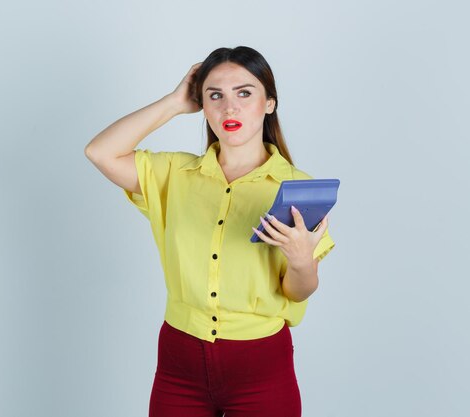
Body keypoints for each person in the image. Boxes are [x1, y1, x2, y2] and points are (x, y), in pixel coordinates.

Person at [84, 46, 335, 417]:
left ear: (269, 103)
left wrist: (301, 263)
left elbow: (298, 292)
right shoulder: (174, 175)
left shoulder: (299, 188)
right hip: (178, 362)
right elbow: (100, 152)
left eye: (244, 93)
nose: (229, 108)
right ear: (201, 103)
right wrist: (173, 103)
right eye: (215, 95)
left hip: (261, 367)